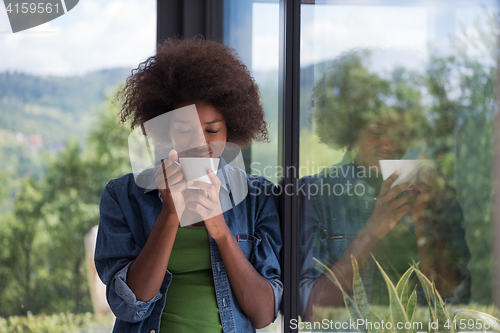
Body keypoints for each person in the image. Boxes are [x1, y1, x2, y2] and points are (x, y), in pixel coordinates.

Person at [94, 37, 282, 333]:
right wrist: (170, 214)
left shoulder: (258, 197)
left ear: (230, 129)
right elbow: (130, 305)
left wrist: (220, 229)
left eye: (212, 130)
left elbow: (263, 315)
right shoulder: (122, 196)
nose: (199, 143)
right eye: (185, 129)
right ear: (165, 129)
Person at [299, 52, 470, 320]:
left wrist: (425, 221)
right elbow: (311, 309)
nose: (390, 145)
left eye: (402, 135)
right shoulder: (315, 195)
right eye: (377, 131)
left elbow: (449, 295)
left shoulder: (434, 194)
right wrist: (373, 230)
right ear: (349, 130)